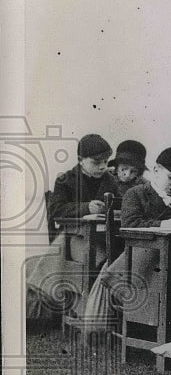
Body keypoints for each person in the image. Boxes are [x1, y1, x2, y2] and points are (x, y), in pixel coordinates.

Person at [81, 148, 171, 333]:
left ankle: (164, 323)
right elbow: (131, 224)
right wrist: (164, 225)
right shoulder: (136, 194)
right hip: (141, 255)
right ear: (156, 170)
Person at [26, 134, 120, 319]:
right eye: (96, 162)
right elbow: (55, 210)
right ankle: (88, 312)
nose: (102, 166)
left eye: (105, 161)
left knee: (113, 257)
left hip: (101, 237)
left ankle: (101, 312)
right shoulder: (65, 180)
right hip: (73, 239)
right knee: (101, 260)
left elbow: (119, 205)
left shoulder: (109, 180)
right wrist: (86, 207)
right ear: (80, 160)